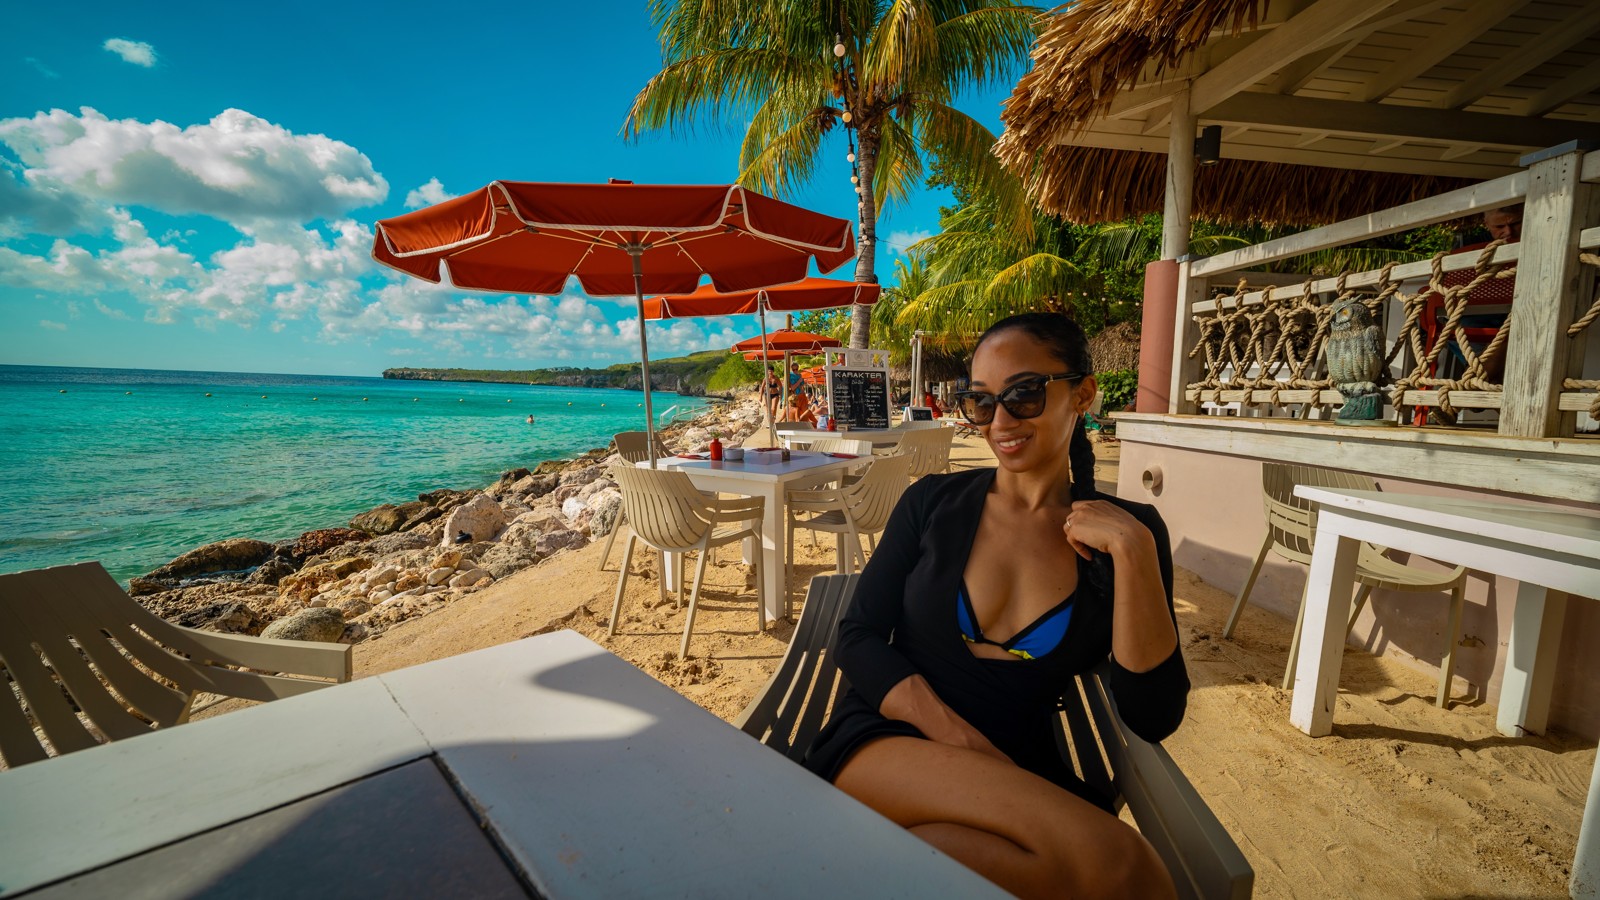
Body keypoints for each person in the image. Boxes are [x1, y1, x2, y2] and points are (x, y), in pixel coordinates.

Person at [802, 312, 1186, 899]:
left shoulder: (1125, 533)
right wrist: (956, 738)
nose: (1000, 421)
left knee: (951, 863)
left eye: (1024, 394)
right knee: (1125, 867)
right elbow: (857, 635)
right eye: (981, 402)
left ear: (1083, 394)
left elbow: (1153, 716)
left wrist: (1134, 553)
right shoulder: (931, 503)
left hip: (1016, 766)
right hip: (888, 740)